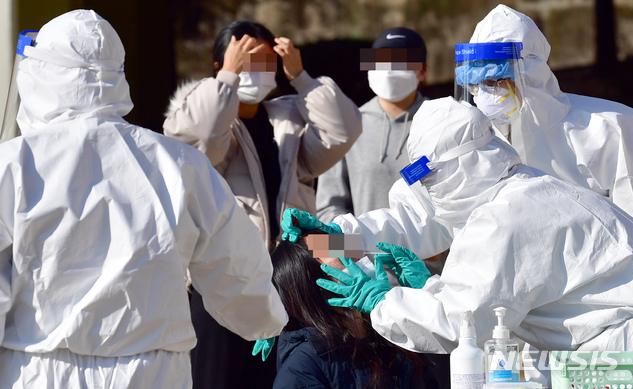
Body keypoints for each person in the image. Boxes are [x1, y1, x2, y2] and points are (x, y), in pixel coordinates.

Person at [0, 10, 287, 388]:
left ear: (44, 75)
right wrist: (265, 320)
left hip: (38, 371)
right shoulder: (177, 163)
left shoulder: (14, 165)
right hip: (152, 372)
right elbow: (236, 265)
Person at [315, 97, 633, 384]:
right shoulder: (513, 187)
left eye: (429, 177)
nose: (427, 188)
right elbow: (415, 219)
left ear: (462, 165)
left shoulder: (507, 217)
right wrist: (331, 239)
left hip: (617, 352)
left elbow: (462, 322)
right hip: (601, 349)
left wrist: (382, 303)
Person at [163, 20, 362, 388]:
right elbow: (202, 137)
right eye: (247, 59)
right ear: (219, 65)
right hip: (221, 290)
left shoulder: (287, 120)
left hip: (287, 287)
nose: (257, 69)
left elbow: (344, 131)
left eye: (265, 61)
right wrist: (227, 78)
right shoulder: (201, 121)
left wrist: (301, 77)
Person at [461, 4, 633, 221]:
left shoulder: (611, 130)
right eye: (474, 83)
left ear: (531, 73)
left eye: (492, 80)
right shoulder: (481, 140)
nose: (482, 93)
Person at [270, 231, 435, 389]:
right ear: (309, 282)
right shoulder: (302, 368)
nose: (352, 251)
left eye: (342, 242)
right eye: (331, 247)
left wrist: (426, 299)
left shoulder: (393, 335)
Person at [315, 27, 428, 224]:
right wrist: (354, 249)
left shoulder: (444, 123)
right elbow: (327, 209)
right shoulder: (346, 125)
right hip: (362, 252)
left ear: (422, 71)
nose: (389, 69)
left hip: (427, 254)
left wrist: (437, 248)